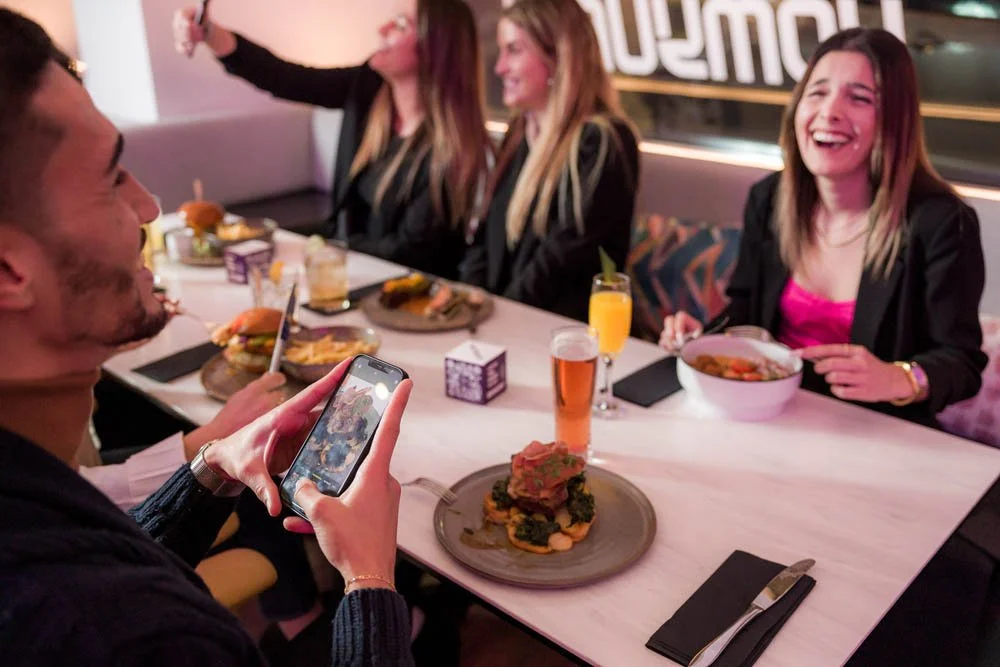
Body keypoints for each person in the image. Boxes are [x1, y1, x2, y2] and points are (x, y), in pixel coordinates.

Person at [0, 10, 413, 666]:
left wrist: (210, 468)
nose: (148, 207)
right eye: (111, 176)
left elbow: (111, 553)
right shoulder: (138, 638)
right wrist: (368, 581)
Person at [660, 28, 986, 427]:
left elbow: (962, 361)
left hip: (876, 433)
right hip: (773, 416)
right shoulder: (769, 197)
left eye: (859, 98)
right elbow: (746, 309)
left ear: (894, 121)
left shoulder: (943, 223)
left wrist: (898, 378)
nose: (829, 112)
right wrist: (704, 338)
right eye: (817, 93)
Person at [174, 0, 492, 280]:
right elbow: (285, 78)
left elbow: (410, 253)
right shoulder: (368, 89)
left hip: (404, 290)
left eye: (400, 24)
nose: (381, 29)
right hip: (350, 263)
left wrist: (325, 248)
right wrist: (210, 33)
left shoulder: (452, 149)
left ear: (436, 49)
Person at [460, 0, 640, 322]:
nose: (500, 67)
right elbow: (484, 240)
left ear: (558, 57)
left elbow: (559, 263)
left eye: (514, 50)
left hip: (563, 335)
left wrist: (499, 318)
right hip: (504, 322)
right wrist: (469, 304)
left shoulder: (602, 141)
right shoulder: (518, 132)